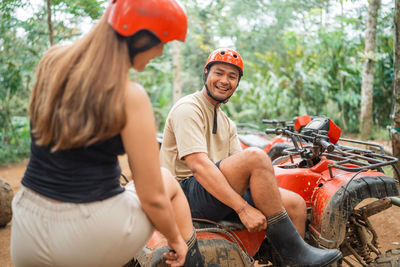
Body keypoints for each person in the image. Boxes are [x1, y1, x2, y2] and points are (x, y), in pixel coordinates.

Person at [10, 1, 204, 267]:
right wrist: (175, 240)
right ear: (139, 37)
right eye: (163, 42)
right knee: (164, 179)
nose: (160, 52)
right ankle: (193, 259)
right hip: (89, 234)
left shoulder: (52, 61)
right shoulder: (129, 96)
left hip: (27, 229)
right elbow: (153, 198)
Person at [160, 48, 342, 266]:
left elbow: (242, 172)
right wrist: (243, 209)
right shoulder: (188, 108)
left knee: (294, 203)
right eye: (219, 73)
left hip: (210, 190)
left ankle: (292, 259)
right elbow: (198, 165)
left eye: (232, 76)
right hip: (182, 194)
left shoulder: (226, 122)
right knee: (255, 156)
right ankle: (297, 255)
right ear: (206, 73)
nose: (224, 81)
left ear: (237, 83)